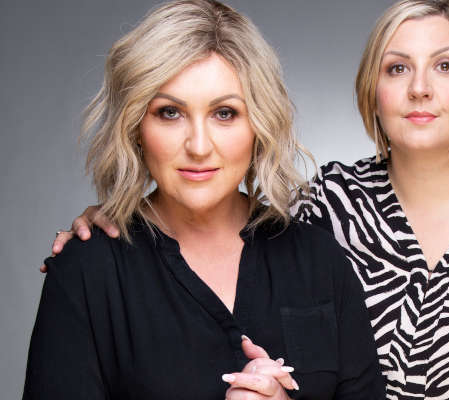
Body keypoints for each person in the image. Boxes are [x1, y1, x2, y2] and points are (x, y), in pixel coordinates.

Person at [47, 0, 449, 399]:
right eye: (397, 67)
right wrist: (114, 219)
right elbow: (209, 211)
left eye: (446, 65)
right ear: (372, 91)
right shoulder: (326, 207)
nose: (420, 88)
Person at [24, 1, 384, 399]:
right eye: (170, 113)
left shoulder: (319, 260)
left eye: (225, 113)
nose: (198, 146)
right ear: (135, 126)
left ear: (259, 124)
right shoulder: (86, 272)